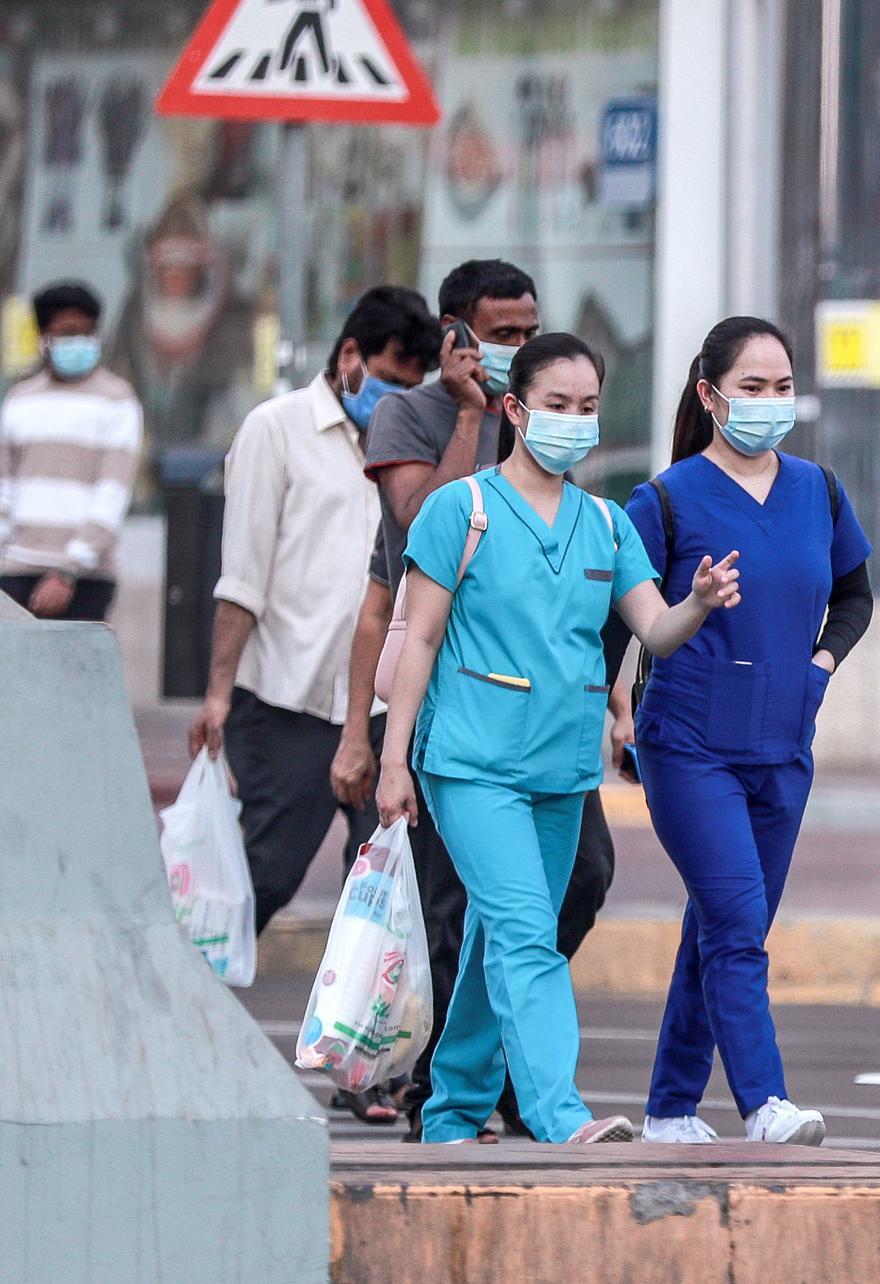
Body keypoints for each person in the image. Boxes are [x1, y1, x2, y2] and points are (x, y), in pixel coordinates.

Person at [376, 333, 740, 1146]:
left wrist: (701, 600)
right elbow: (422, 642)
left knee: (494, 936)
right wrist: (393, 760)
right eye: (557, 406)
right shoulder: (458, 510)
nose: (574, 422)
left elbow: (656, 627)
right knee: (525, 931)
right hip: (468, 762)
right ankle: (558, 1112)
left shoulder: (608, 526)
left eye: (587, 409)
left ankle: (453, 1110)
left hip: (561, 768)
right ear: (515, 410)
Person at [339, 258, 621, 1139]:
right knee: (486, 915)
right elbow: (418, 518)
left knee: (559, 893)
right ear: (455, 334)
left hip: (547, 731)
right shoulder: (414, 414)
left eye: (531, 329)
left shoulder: (561, 449)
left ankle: (458, 1094)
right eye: (503, 333)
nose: (521, 346)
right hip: (450, 715)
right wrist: (472, 412)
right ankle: (540, 1101)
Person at [612, 316, 873, 1147]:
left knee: (725, 923)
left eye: (783, 388)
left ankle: (669, 1109)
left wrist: (820, 667)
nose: (770, 403)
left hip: (783, 744)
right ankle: (765, 1102)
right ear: (710, 395)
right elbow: (623, 617)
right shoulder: (664, 499)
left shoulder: (818, 490)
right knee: (734, 920)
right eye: (752, 388)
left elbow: (855, 595)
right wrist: (611, 707)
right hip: (689, 744)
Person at [185, 284, 437, 935]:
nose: (395, 397)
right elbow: (242, 580)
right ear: (349, 354)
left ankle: (367, 1033)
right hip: (284, 701)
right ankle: (177, 1009)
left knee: (398, 893)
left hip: (384, 708)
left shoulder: (414, 448)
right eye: (386, 380)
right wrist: (218, 696)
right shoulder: (277, 429)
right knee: (262, 876)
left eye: (411, 386)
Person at [1, 281, 141, 621]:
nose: (78, 342)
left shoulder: (116, 401)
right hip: (16, 570)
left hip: (85, 579)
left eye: (87, 333)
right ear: (43, 338)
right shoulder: (20, 399)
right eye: (67, 333)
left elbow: (112, 494)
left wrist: (69, 570)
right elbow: (4, 489)